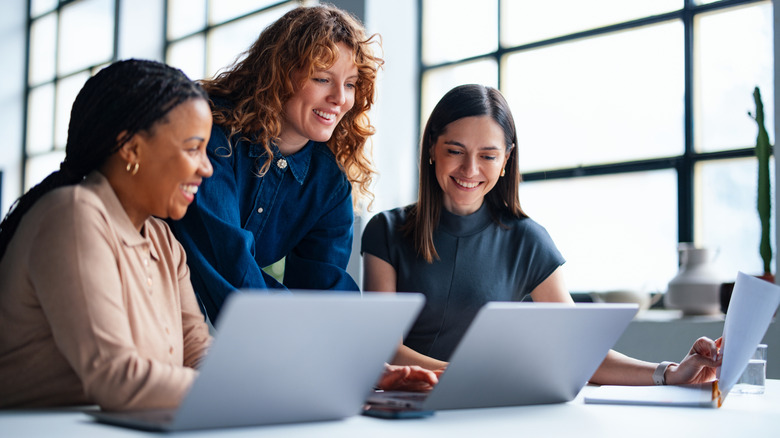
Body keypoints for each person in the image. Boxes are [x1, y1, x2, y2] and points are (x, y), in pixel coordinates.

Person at [0, 59, 434, 410]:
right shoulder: (74, 214)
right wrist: (289, 390)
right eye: (193, 149)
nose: (207, 168)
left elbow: (200, 356)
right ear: (131, 148)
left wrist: (333, 374)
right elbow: (118, 378)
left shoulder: (162, 240)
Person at [361, 84, 722, 385]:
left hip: (487, 408)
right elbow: (383, 347)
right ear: (431, 149)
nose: (470, 169)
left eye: (488, 155)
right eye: (455, 151)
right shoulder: (386, 231)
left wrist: (670, 373)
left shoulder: (527, 240)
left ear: (506, 161)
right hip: (404, 407)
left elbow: (578, 349)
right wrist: (475, 375)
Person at [169, 4, 383, 324]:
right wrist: (301, 326)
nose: (340, 98)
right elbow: (229, 262)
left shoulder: (329, 184)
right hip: (139, 301)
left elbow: (325, 291)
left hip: (204, 331)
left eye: (350, 84)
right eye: (322, 78)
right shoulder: (212, 136)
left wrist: (361, 352)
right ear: (280, 74)